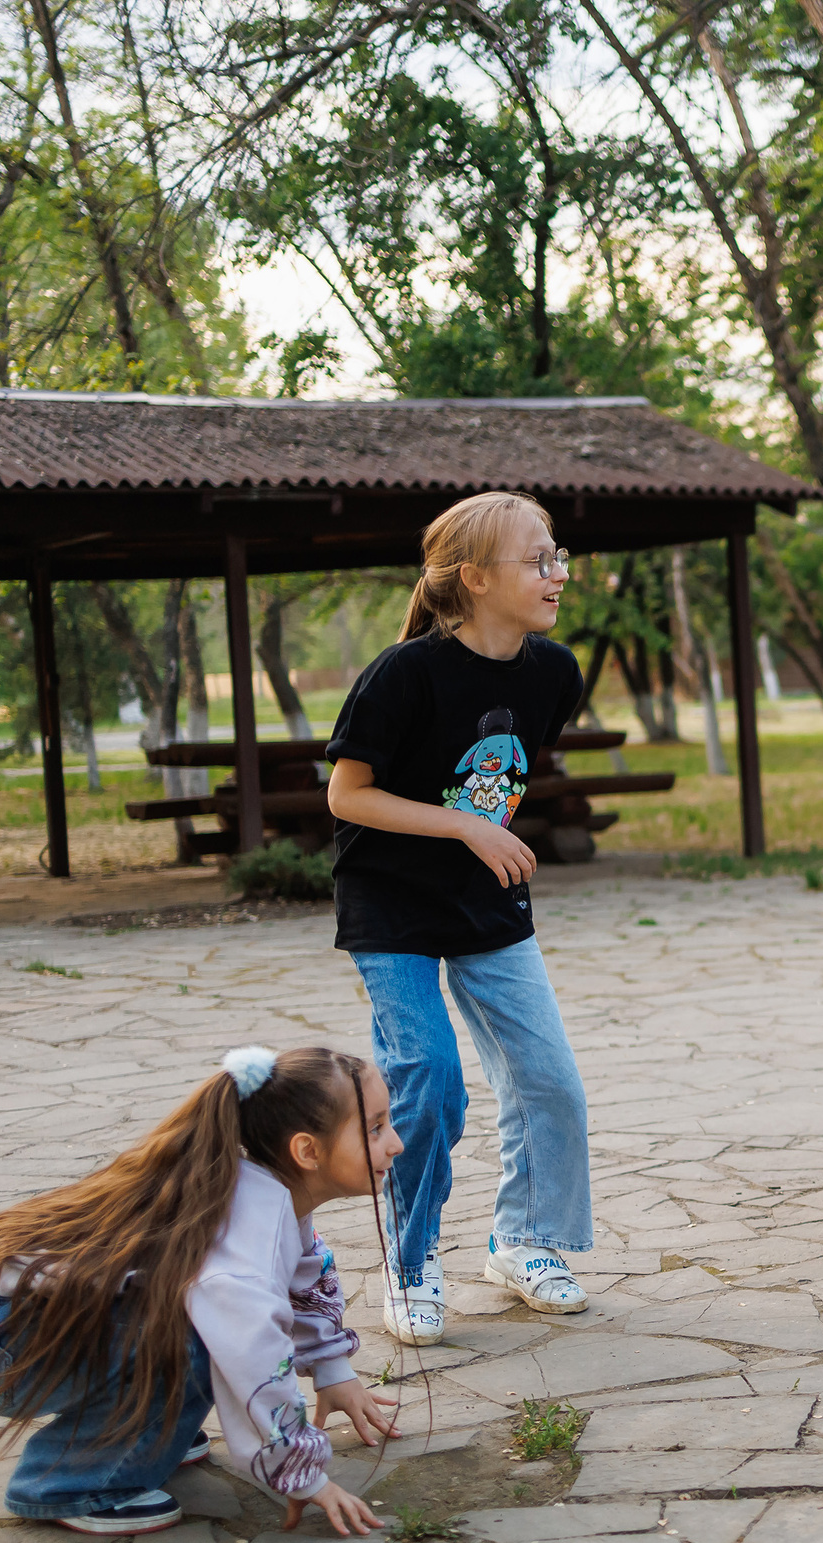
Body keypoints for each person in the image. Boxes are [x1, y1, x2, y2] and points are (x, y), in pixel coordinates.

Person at [325, 491, 596, 1346]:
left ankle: (523, 1242)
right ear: (476, 578)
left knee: (549, 1081)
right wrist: (469, 826)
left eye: (558, 556)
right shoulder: (402, 675)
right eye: (537, 559)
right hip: (391, 906)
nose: (557, 573)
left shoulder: (554, 672)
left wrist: (482, 835)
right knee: (431, 1080)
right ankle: (409, 1262)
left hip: (487, 905)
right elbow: (347, 793)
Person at [0, 1048, 405, 1536]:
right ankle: (72, 1482)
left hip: (19, 1323)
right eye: (374, 1128)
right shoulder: (248, 1241)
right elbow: (255, 1357)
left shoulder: (267, 1191)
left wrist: (331, 1369)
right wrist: (300, 1473)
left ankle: (152, 1433)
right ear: (307, 1151)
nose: (395, 1143)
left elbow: (305, 1273)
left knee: (197, 1321)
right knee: (204, 1336)